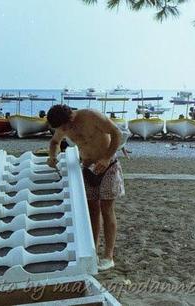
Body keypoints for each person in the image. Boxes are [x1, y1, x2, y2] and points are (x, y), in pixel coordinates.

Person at [46, 104, 124, 271]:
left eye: (66, 126)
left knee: (107, 208)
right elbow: (54, 142)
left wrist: (106, 157)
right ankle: (92, 250)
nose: (65, 130)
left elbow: (117, 133)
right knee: (92, 209)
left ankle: (108, 256)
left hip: (108, 165)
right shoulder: (62, 126)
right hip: (87, 167)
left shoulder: (91, 116)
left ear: (72, 117)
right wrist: (52, 156)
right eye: (61, 128)